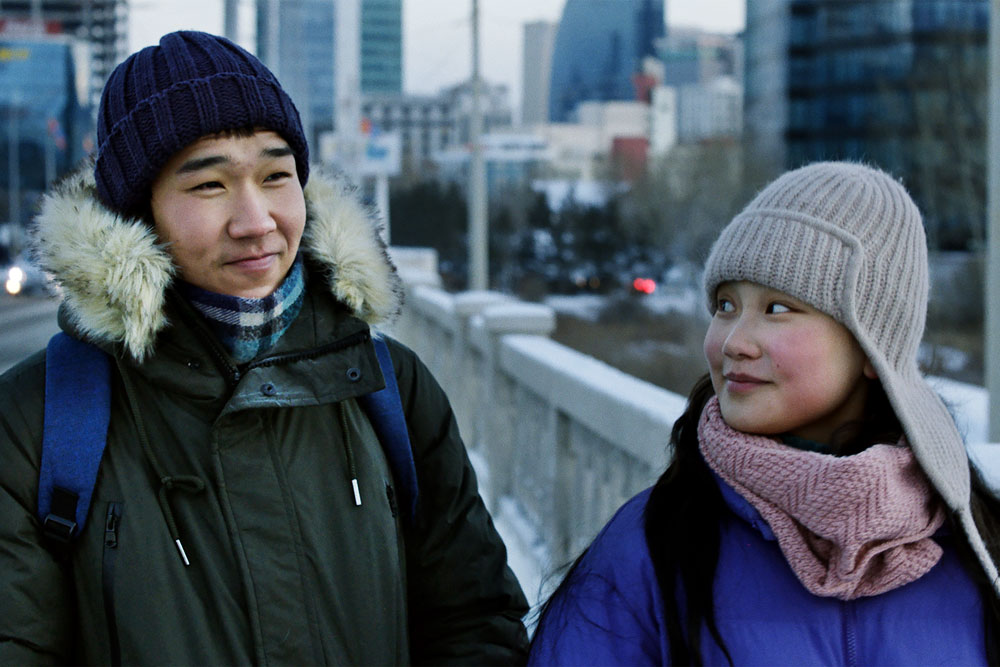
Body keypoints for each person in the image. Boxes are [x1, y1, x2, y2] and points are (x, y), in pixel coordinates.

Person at [0, 31, 528, 665]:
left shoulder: (388, 386)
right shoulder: (36, 425)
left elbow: (476, 622)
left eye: (276, 176)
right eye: (209, 185)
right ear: (136, 214)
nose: (257, 222)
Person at [528, 161, 1000, 665]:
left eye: (776, 309)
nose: (734, 342)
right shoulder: (650, 552)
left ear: (872, 347)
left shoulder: (979, 552)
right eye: (725, 305)